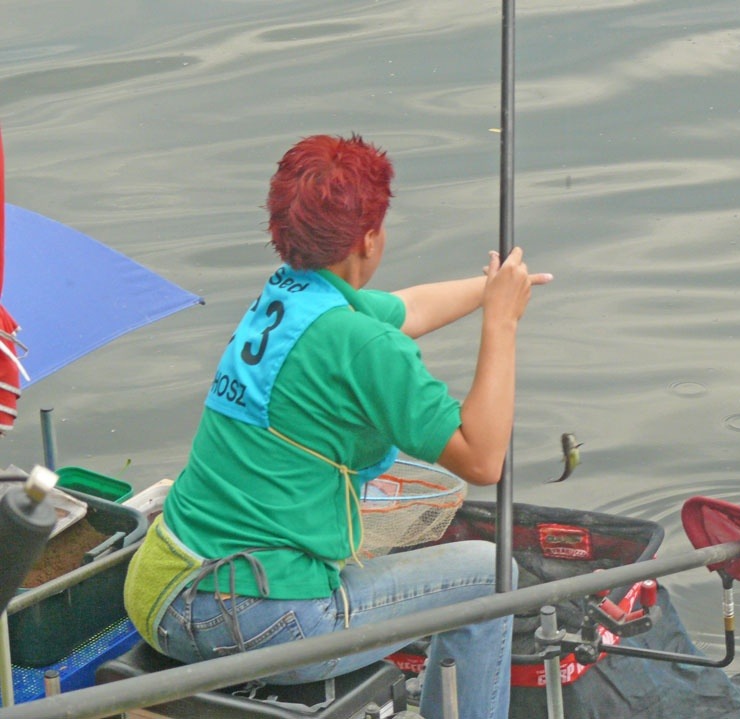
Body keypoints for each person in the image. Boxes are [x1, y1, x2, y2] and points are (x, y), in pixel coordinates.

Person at [124, 134, 552, 719]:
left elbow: (408, 308)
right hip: (256, 617)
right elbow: (482, 459)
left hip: (159, 594)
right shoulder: (363, 344)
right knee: (490, 574)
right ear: (370, 237)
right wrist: (500, 324)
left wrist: (491, 289)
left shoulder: (288, 300)